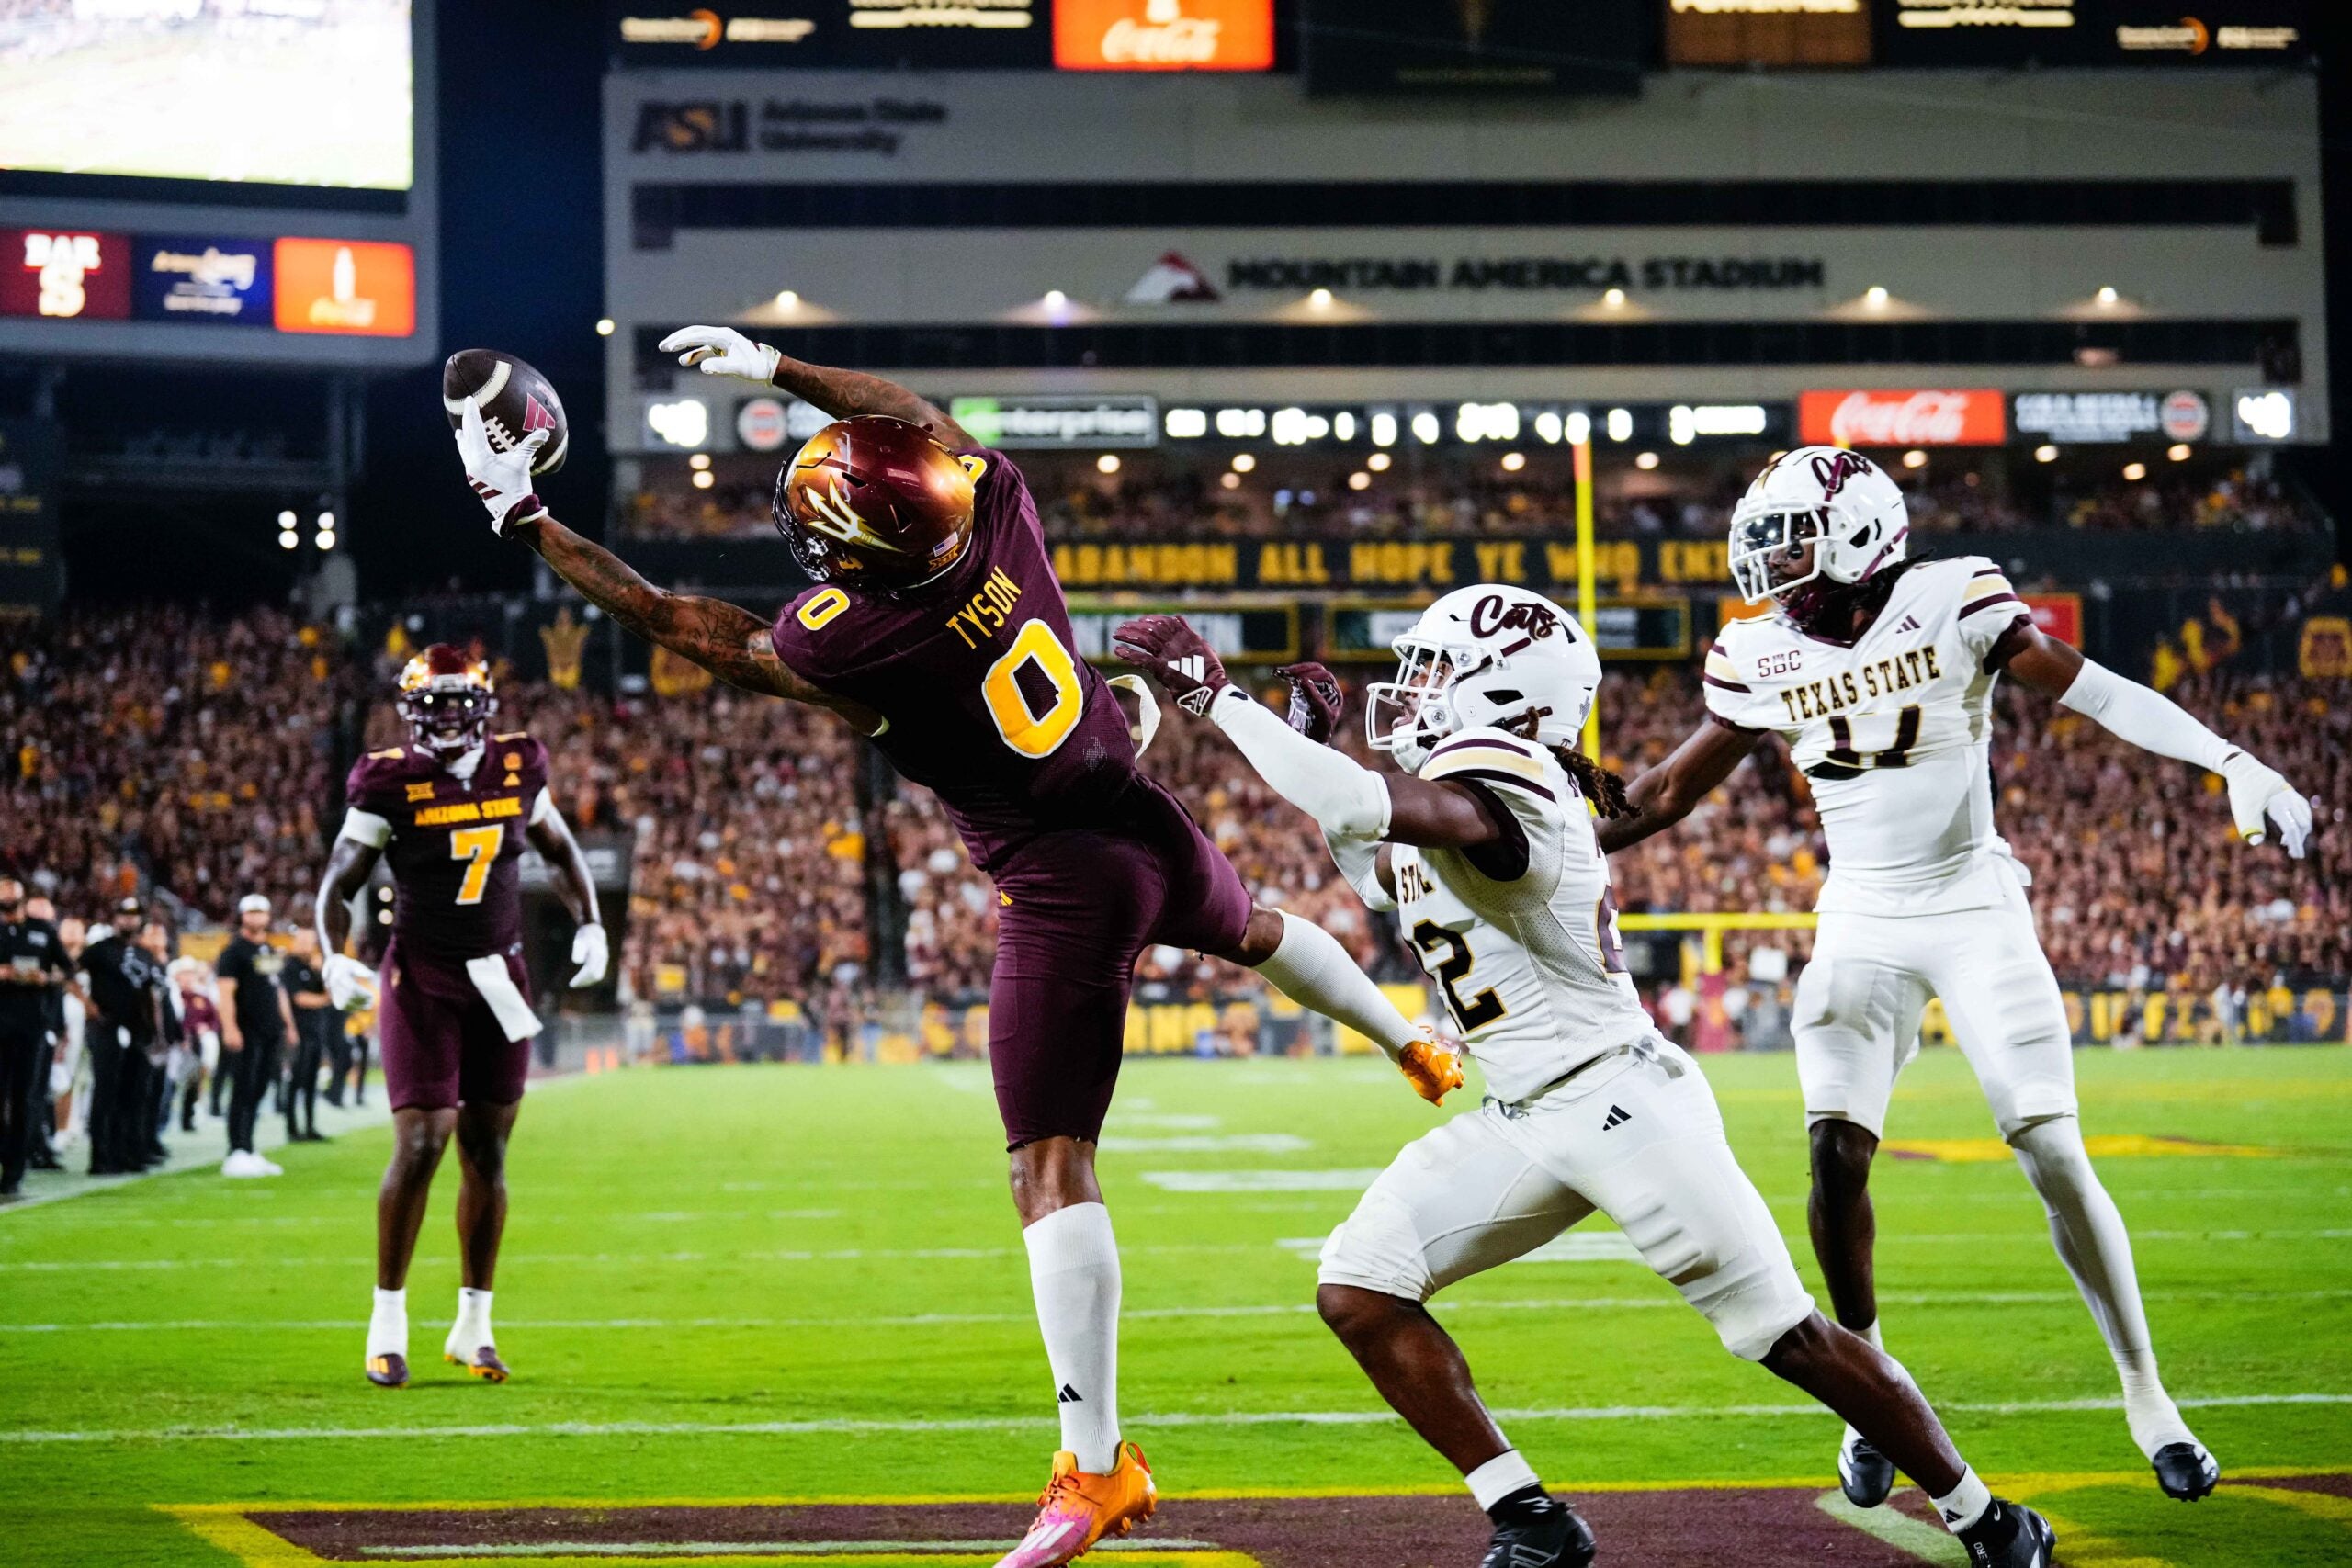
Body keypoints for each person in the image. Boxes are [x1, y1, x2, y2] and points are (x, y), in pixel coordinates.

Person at [449, 328, 1463, 1568]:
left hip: (1058, 877)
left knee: (1048, 1164)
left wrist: (530, 525)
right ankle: (1409, 1034)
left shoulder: (856, 639)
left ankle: (1094, 1465)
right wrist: (776, 365)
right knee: (1251, 926)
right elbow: (908, 409)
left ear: (863, 557)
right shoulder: (995, 504)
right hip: (1143, 811)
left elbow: (685, 622)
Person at [1118, 592, 2057, 1568]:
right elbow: (1380, 866)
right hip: (1526, 1113)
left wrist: (1223, 702)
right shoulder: (1464, 787)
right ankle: (1529, 1517)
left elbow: (1364, 805)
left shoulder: (1514, 778)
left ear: (1506, 696)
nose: (1415, 691)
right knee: (1360, 1286)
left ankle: (1986, 1517)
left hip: (1619, 1098)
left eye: (1441, 670)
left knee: (1787, 1336)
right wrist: (1314, 755)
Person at [1595, 446, 2317, 1506]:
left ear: (1855, 533)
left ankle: (2146, 1393)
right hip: (1860, 912)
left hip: (1972, 900)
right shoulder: (1758, 653)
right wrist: (1516, 842)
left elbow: (2094, 693)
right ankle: (1872, 1379)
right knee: (1833, 1157)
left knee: (2050, 1145)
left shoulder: (1952, 598)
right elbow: (1659, 796)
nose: (1774, 569)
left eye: (1791, 542)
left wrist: (2232, 761)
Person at [314, 646, 607, 1389]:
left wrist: (591, 922)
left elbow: (561, 849)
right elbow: (340, 880)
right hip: (423, 977)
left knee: (489, 1152)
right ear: (413, 710)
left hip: (501, 974)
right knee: (422, 1140)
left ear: (481, 704)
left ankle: (474, 1324)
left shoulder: (518, 766)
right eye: (434, 703)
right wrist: (333, 951)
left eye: (458, 701)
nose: (448, 715)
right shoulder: (390, 779)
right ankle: (387, 1319)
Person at [79, 903, 167, 1176]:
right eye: (124, 916)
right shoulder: (100, 949)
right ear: (115, 919)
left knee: (133, 1093)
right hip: (106, 1026)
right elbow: (70, 974)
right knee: (106, 1091)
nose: (129, 921)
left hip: (138, 1030)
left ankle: (126, 1152)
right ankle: (100, 1156)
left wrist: (157, 1032)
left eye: (134, 916)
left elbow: (152, 994)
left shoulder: (145, 954)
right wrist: (88, 1006)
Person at [215, 895, 294, 1179]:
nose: (258, 916)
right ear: (243, 916)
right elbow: (225, 992)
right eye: (253, 912)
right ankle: (236, 1149)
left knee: (259, 1089)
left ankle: (248, 1147)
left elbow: (277, 990)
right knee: (243, 1089)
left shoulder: (268, 950)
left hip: (270, 1029)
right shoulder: (234, 952)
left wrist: (288, 1024)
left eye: (262, 911)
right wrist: (230, 1026)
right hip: (247, 1028)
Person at [0, 877, 70, 1197]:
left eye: (10, 898)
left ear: (21, 898)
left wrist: (47, 977)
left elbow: (67, 969)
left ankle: (15, 1173)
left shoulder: (43, 930)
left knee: (26, 1099)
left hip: (32, 1026)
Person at [280, 927, 333, 1143]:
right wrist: (324, 1000)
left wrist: (322, 972)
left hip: (315, 1030)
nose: (305, 945)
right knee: (296, 1080)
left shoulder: (313, 967)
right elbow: (298, 998)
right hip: (298, 1031)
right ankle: (292, 1128)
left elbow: (330, 990)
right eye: (301, 940)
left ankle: (310, 1126)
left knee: (312, 1080)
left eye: (309, 941)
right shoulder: (290, 966)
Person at [171, 959, 222, 1134]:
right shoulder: (174, 996)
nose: (188, 978)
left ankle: (188, 1117)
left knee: (194, 1081)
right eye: (184, 974)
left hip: (197, 1044)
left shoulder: (200, 996)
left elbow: (214, 1019)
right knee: (171, 1083)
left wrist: (206, 1027)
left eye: (190, 974)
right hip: (177, 1044)